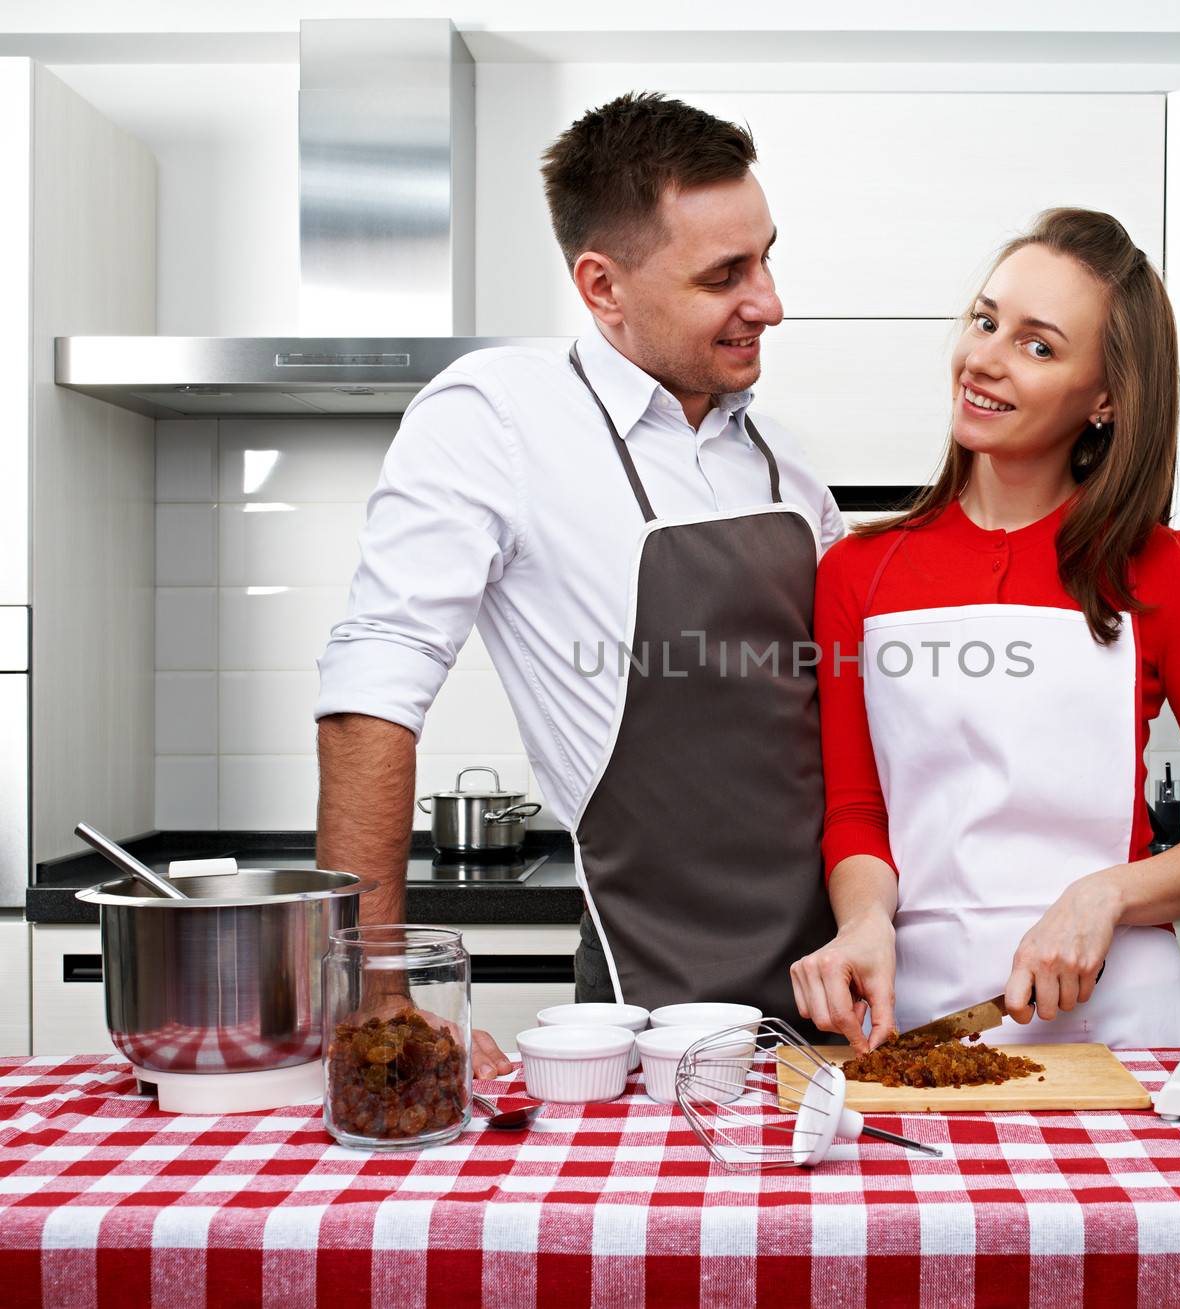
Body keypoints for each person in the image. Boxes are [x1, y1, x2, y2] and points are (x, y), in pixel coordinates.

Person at [315, 93, 843, 1076]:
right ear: (602, 286)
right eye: (725, 274)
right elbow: (373, 685)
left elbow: (852, 734)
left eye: (767, 256)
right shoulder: (499, 418)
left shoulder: (785, 462)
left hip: (839, 986)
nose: (769, 301)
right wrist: (376, 994)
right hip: (649, 1005)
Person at [789, 208, 1180, 1054]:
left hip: (1120, 1022)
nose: (984, 358)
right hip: (914, 1014)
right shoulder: (857, 571)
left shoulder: (1164, 571)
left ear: (1104, 397)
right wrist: (861, 923)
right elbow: (857, 812)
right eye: (986, 321)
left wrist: (1106, 896)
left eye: (1038, 345)